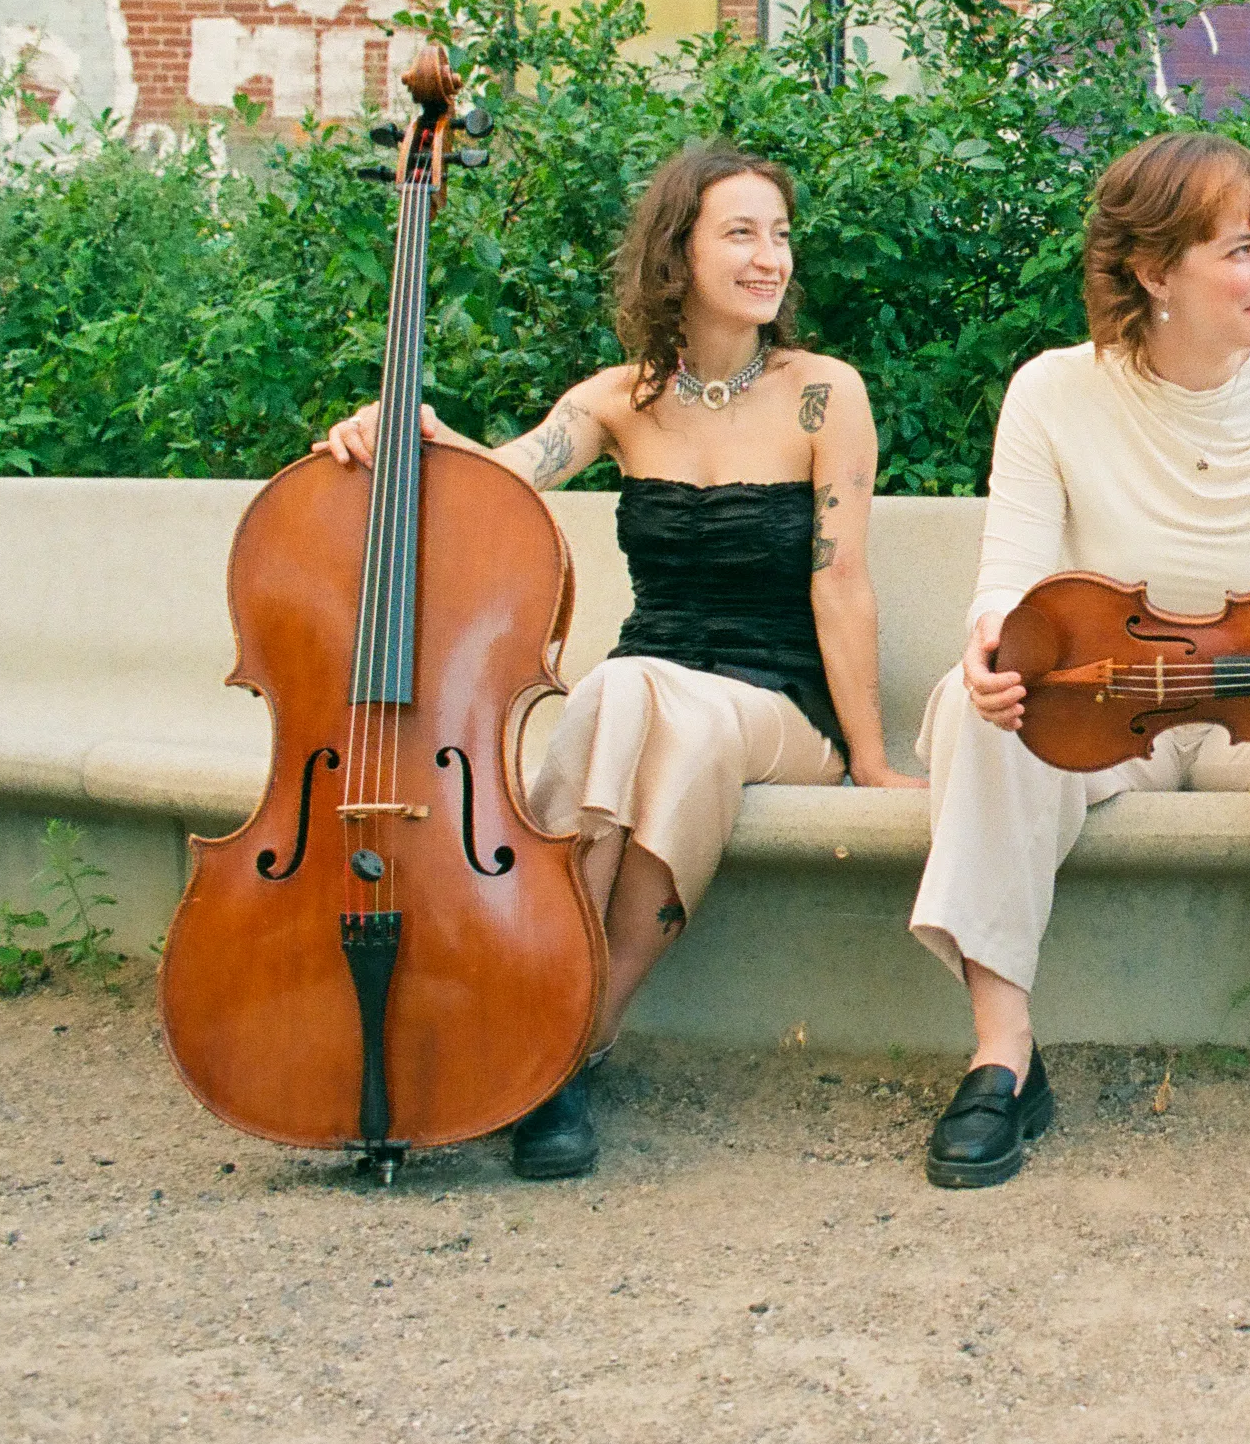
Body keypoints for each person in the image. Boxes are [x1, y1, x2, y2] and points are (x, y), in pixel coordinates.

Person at [321, 139, 916, 1179]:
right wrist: (404, 433)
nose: (769, 255)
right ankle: (563, 1058)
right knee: (639, 700)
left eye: (779, 234)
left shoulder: (826, 394)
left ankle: (552, 1036)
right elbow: (497, 489)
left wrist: (867, 758)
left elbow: (840, 579)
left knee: (632, 692)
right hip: (652, 707)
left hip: (782, 705)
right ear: (676, 253)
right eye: (741, 232)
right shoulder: (618, 399)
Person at [913, 130, 1250, 1188]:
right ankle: (1002, 1054)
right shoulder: (1052, 391)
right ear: (1155, 270)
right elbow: (1010, 577)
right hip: (1113, 713)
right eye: (1244, 250)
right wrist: (993, 646)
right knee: (971, 705)